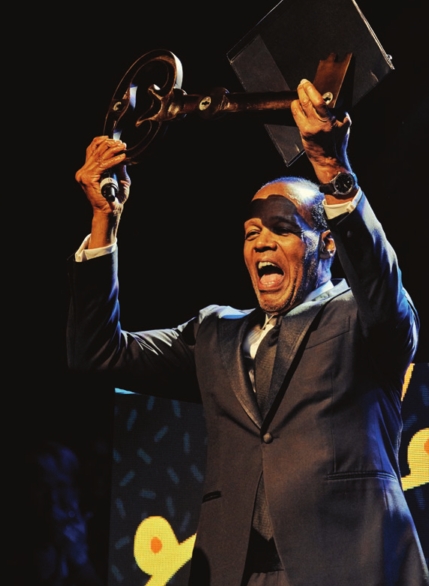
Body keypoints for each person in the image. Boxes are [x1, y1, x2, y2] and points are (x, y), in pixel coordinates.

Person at [68, 80, 429, 585]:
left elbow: (379, 284)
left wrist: (331, 169)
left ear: (326, 245)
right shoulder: (215, 333)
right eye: (251, 233)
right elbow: (97, 353)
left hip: (349, 565)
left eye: (282, 229)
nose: (261, 242)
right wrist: (103, 220)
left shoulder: (362, 318)